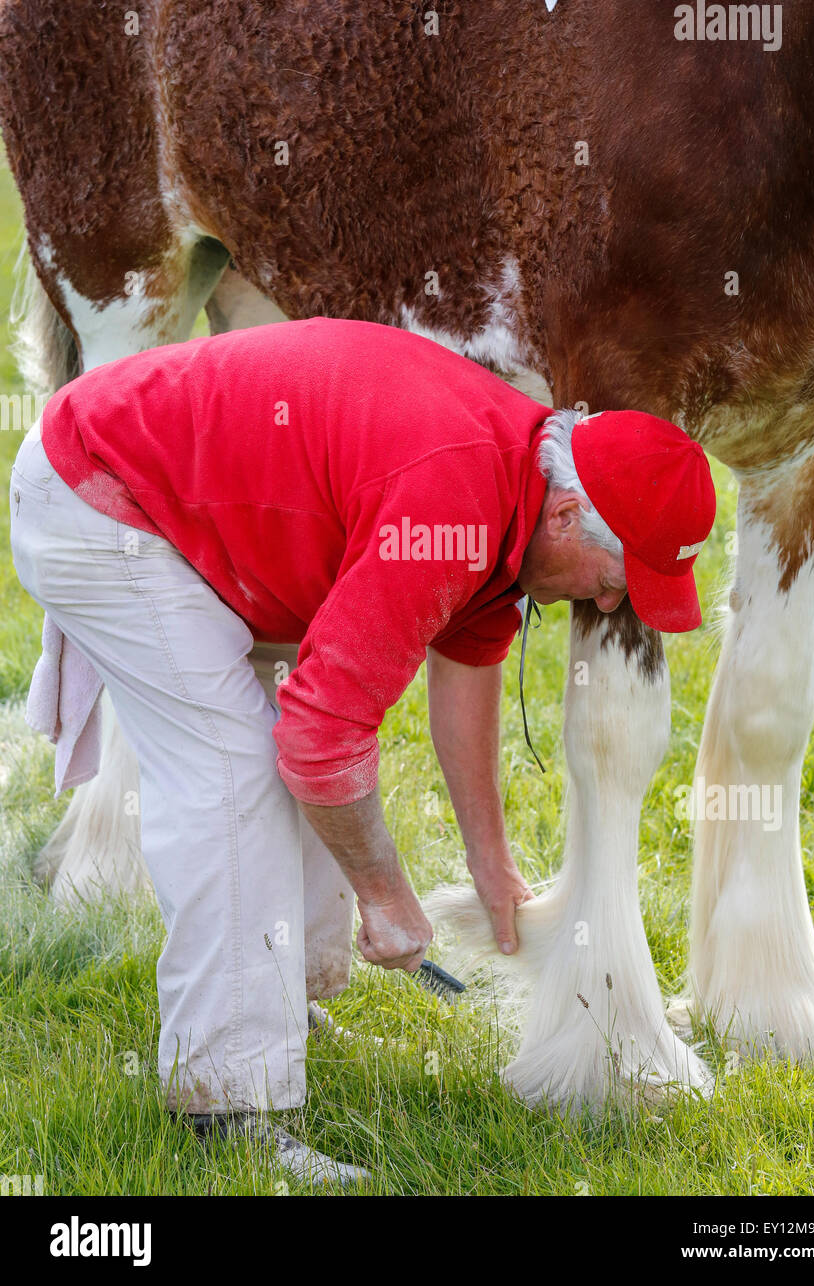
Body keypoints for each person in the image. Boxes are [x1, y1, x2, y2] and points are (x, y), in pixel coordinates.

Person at [9, 316, 715, 1183]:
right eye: (615, 584)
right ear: (569, 514)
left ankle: (275, 1002)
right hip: (100, 497)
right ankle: (228, 1108)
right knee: (238, 773)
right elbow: (320, 734)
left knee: (282, 759)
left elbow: (465, 684)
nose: (609, 609)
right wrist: (386, 898)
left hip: (157, 490)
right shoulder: (453, 497)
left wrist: (491, 865)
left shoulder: (516, 484)